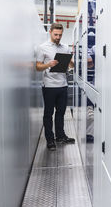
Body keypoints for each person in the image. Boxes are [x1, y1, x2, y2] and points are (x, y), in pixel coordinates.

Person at [36, 23, 75, 151]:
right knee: (48, 114)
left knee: (60, 113)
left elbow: (71, 65)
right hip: (49, 86)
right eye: (56, 34)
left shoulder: (65, 47)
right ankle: (50, 139)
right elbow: (37, 67)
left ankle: (60, 136)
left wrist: (70, 61)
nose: (58, 37)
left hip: (63, 85)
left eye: (60, 35)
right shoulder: (43, 48)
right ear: (50, 32)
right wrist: (48, 65)